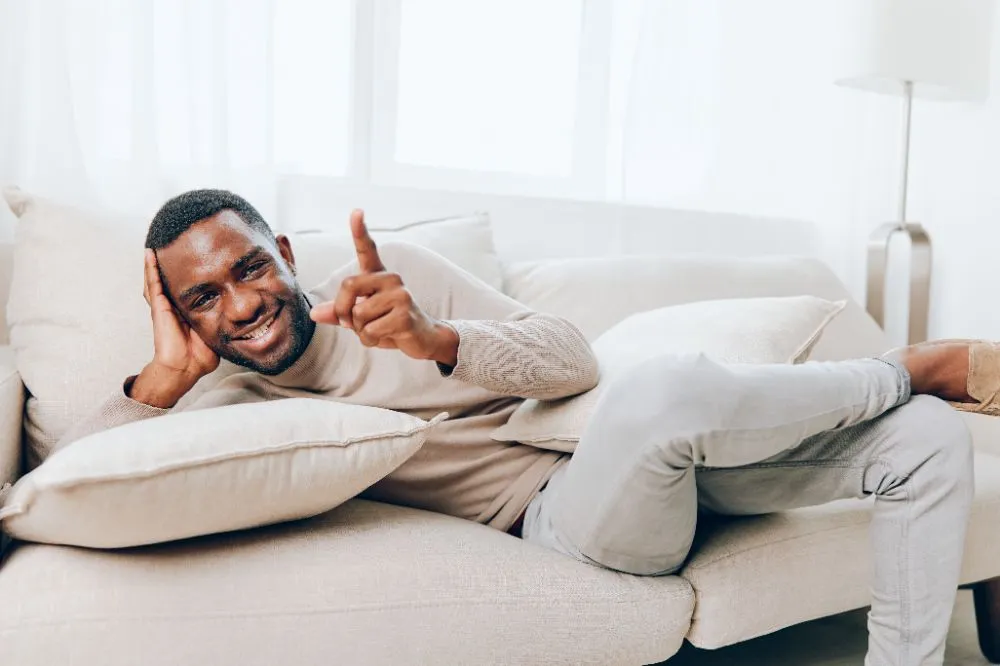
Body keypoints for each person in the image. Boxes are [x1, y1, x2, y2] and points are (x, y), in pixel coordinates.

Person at [55, 189, 985, 666]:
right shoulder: (223, 406)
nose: (240, 307)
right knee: (660, 394)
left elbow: (571, 360)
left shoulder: (398, 279)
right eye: (203, 300)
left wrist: (439, 339)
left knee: (932, 443)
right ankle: (915, 367)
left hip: (678, 465)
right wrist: (164, 376)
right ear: (181, 315)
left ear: (288, 256)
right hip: (569, 520)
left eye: (250, 270)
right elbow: (56, 493)